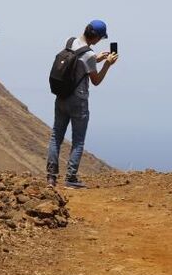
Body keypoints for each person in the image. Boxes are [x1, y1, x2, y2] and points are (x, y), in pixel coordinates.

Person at [46, 19, 118, 188]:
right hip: (78, 100)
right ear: (97, 37)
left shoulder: (69, 41)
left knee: (56, 136)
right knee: (78, 140)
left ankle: (51, 178)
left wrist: (96, 59)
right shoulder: (89, 55)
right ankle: (71, 178)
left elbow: (77, 63)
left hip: (61, 95)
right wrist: (107, 64)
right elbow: (96, 81)